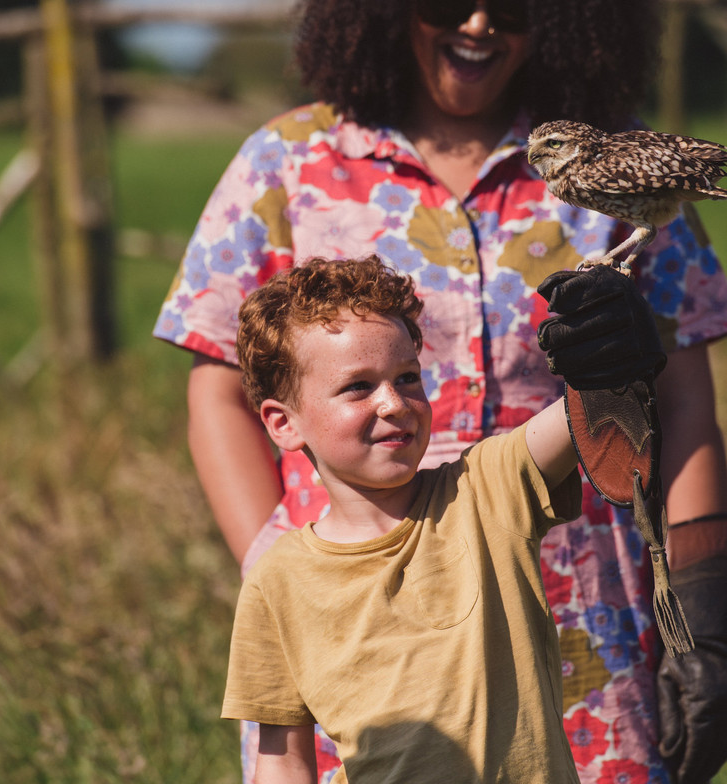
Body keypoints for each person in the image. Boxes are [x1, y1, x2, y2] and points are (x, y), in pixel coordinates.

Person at [154, 0, 727, 781]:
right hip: (357, 617)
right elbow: (218, 390)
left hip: (584, 617)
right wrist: (285, 578)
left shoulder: (617, 161)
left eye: (510, 5)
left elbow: (684, 405)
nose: (477, 23)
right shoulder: (289, 163)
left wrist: (704, 616)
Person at [223, 255, 663, 784]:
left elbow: (574, 415)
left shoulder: (485, 489)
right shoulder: (276, 583)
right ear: (283, 423)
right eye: (358, 387)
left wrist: (605, 359)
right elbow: (282, 757)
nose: (393, 403)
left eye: (408, 378)